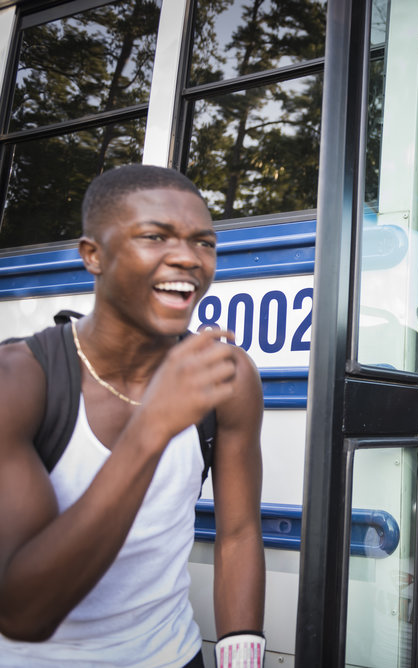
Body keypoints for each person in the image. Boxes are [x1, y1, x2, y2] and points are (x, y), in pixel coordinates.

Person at [0, 165, 265, 667]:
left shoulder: (228, 377)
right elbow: (22, 611)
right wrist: (150, 429)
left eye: (203, 242)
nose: (187, 257)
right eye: (154, 236)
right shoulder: (19, 381)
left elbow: (238, 534)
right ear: (92, 255)